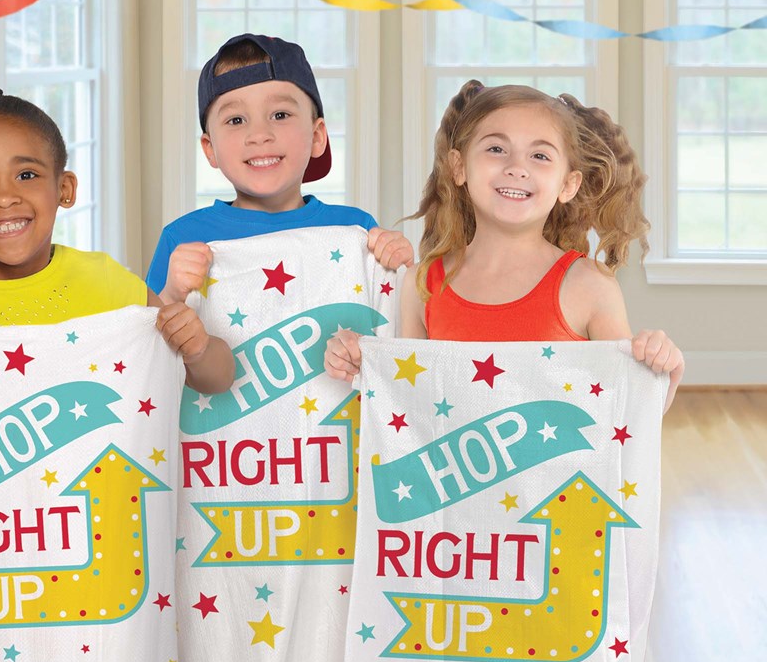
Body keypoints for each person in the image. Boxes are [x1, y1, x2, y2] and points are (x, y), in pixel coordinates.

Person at [0, 64, 234, 419]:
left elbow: (216, 379)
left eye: (26, 175)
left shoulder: (106, 283)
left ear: (64, 189)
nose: (3, 197)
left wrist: (198, 348)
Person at [325, 79, 684, 411]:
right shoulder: (422, 285)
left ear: (568, 185)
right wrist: (363, 364)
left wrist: (664, 369)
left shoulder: (590, 286)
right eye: (496, 148)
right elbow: (412, 409)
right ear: (459, 167)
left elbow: (628, 412)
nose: (517, 167)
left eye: (540, 156)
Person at [145, 33, 412, 300]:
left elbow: (391, 316)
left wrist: (403, 271)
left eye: (280, 115)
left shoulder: (356, 231)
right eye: (236, 120)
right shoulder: (182, 239)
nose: (259, 135)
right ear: (210, 148)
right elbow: (145, 326)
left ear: (317, 137)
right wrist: (171, 294)